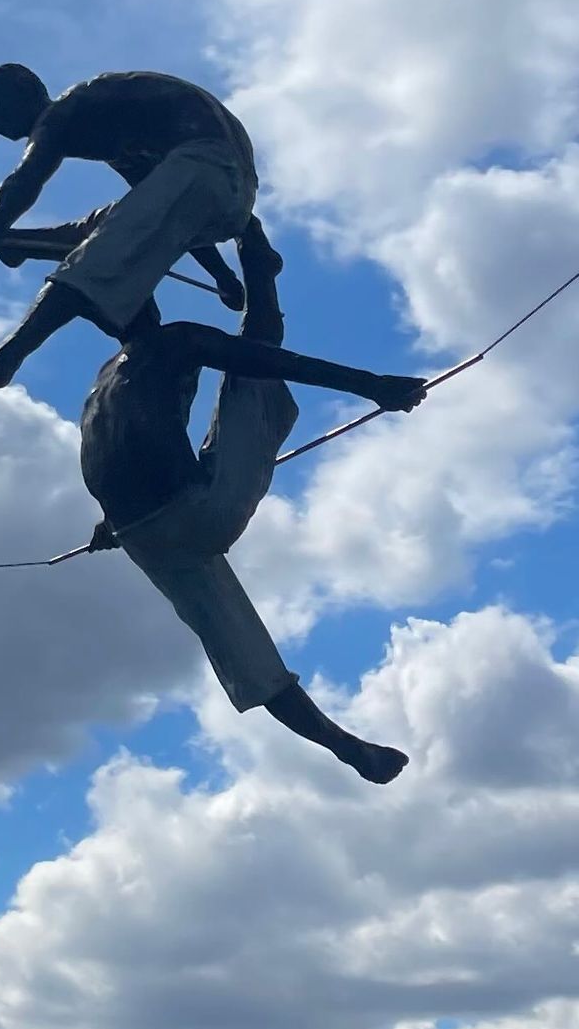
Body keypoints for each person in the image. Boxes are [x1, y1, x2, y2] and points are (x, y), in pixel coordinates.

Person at [80, 223, 424, 784]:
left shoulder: (155, 353)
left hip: (178, 518)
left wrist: (372, 385)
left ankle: (261, 269)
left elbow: (270, 365)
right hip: (158, 526)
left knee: (253, 366)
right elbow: (123, 452)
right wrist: (107, 519)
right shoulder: (117, 375)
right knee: (241, 655)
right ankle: (348, 747)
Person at [0, 64, 264, 425]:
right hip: (230, 193)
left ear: (25, 91)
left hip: (212, 166)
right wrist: (222, 276)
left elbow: (26, 177)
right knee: (106, 225)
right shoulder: (125, 136)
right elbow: (169, 213)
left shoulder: (65, 111)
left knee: (98, 255)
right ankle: (24, 245)